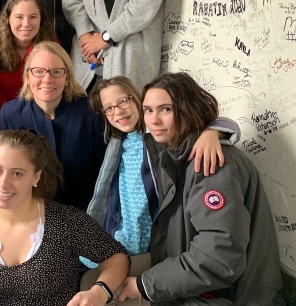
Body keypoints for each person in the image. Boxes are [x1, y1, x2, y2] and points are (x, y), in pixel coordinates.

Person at [118, 72, 285, 305]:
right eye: (148, 110)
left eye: (166, 109)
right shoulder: (177, 154)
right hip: (194, 288)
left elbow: (218, 257)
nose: (154, 120)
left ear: (188, 109)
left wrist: (145, 285)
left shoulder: (210, 163)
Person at [83, 76, 240, 300]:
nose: (118, 111)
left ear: (137, 99)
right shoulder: (118, 143)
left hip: (157, 243)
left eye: (124, 101)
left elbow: (215, 122)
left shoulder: (158, 136)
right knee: (86, 276)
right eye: (108, 108)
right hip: (125, 237)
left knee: (96, 283)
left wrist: (214, 132)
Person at [0, 129, 129, 305]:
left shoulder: (66, 221)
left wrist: (99, 291)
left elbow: (116, 255)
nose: (3, 183)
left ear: (35, 177)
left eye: (17, 173)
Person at [0, 41, 105, 211]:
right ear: (28, 76)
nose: (47, 79)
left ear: (67, 77)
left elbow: (104, 174)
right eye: (39, 71)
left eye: (56, 72)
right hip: (31, 211)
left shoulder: (91, 113)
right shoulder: (10, 114)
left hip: (84, 211)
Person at [0, 0, 54, 123]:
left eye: (33, 17)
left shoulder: (52, 45)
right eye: (19, 17)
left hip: (43, 117)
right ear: (8, 18)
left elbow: (53, 88)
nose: (26, 24)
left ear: (41, 18)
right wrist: (12, 117)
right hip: (4, 117)